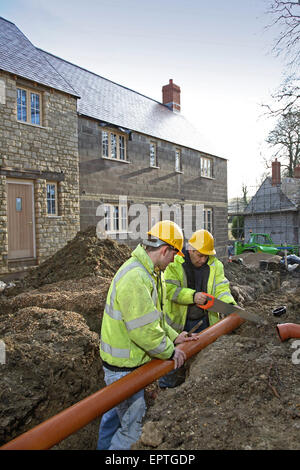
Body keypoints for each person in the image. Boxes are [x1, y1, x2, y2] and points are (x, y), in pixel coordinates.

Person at [97, 220, 198, 450]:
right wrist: (171, 351)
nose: (174, 260)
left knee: (113, 418)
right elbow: (144, 332)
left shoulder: (149, 272)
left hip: (121, 364)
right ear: (164, 250)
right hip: (124, 369)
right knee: (131, 430)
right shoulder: (136, 278)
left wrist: (174, 336)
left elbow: (155, 317)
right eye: (174, 254)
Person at [159, 229, 236, 388]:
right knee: (172, 361)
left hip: (205, 321)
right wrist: (192, 296)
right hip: (178, 324)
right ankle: (166, 389)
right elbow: (170, 291)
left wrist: (230, 304)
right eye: (200, 255)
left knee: (202, 359)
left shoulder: (215, 265)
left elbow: (222, 289)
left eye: (206, 256)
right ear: (190, 250)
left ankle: (197, 386)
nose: (203, 260)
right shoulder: (174, 263)